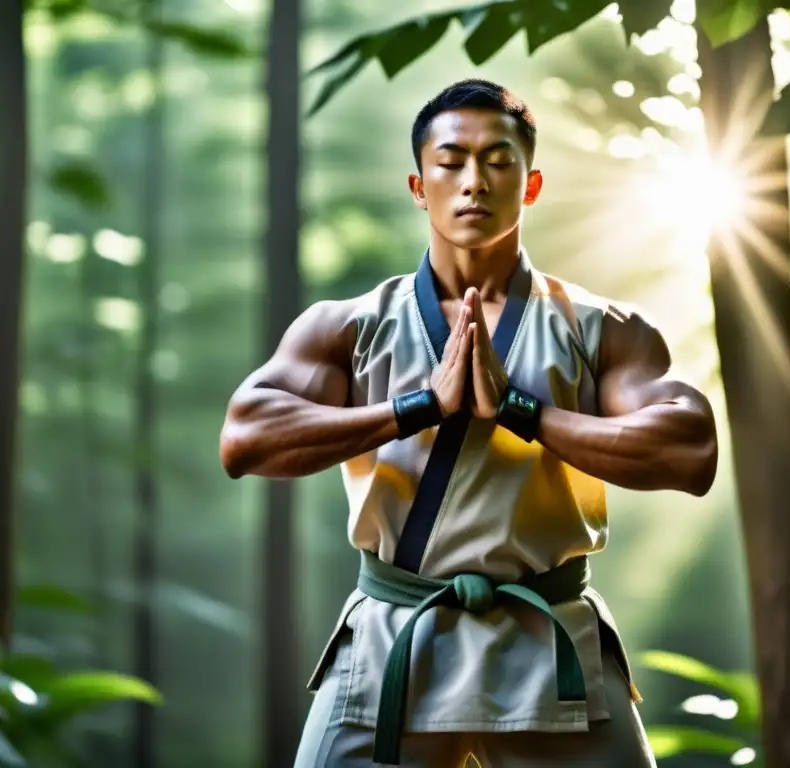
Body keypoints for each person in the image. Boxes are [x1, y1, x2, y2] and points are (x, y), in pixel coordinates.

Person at [220, 78, 718, 767]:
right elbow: (246, 439)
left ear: (531, 184)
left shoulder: (600, 328)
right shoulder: (350, 326)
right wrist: (416, 407)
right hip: (395, 639)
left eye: (498, 161)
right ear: (419, 185)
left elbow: (690, 450)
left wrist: (520, 411)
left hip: (551, 639)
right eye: (451, 162)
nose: (474, 182)